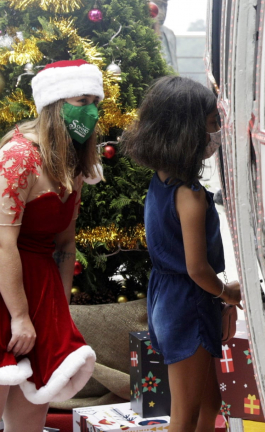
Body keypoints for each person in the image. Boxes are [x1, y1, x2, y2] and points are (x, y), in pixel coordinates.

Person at [121, 76, 241, 432]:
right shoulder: (190, 196)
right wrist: (229, 295)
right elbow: (197, 268)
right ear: (188, 133)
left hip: (169, 297)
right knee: (185, 415)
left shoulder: (161, 182)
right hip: (188, 304)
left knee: (208, 404)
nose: (215, 135)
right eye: (211, 126)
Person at [0, 60, 101, 431]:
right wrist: (20, 316)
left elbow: (66, 244)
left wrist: (58, 307)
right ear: (56, 104)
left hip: (41, 291)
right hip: (6, 288)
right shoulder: (18, 157)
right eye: (80, 99)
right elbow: (2, 244)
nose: (89, 110)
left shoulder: (72, 163)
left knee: (30, 417)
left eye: (95, 100)